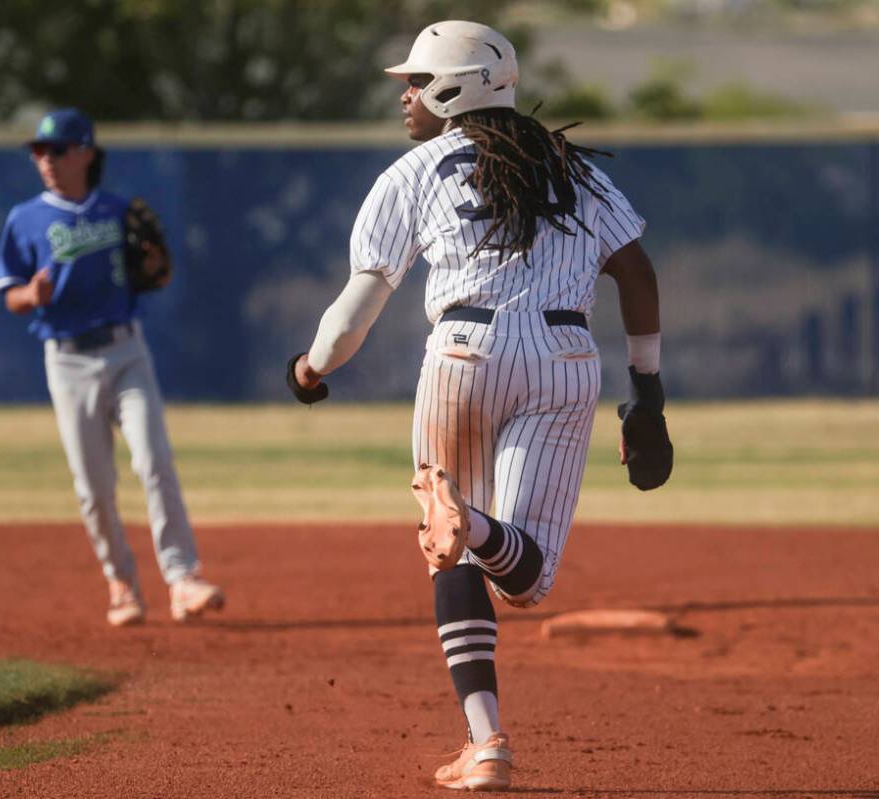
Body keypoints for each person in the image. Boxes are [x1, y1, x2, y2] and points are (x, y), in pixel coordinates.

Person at [286, 21, 671, 791]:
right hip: (565, 360)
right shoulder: (575, 169)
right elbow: (635, 272)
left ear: (454, 90)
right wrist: (649, 394)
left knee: (449, 547)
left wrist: (310, 367)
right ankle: (481, 533)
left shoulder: (416, 172)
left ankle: (488, 737)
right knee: (524, 580)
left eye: (418, 80)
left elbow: (358, 306)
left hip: (463, 356)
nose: (405, 92)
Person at [0, 107, 224, 627]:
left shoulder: (118, 210)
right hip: (67, 358)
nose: (45, 159)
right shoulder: (24, 219)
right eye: (38, 151)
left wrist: (150, 269)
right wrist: (30, 293)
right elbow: (10, 294)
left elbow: (151, 274)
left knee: (154, 461)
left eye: (56, 150)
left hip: (126, 350)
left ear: (85, 154)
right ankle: (121, 583)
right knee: (93, 486)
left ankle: (183, 578)